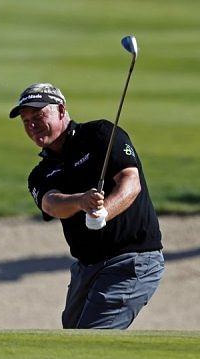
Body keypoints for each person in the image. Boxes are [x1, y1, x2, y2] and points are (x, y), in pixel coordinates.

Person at [9, 83, 164, 329]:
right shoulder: (41, 172)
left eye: (38, 116)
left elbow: (130, 182)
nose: (31, 125)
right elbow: (51, 204)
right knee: (73, 338)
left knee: (92, 339)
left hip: (131, 259)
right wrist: (80, 201)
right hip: (87, 269)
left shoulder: (100, 134)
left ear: (61, 110)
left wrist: (104, 211)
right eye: (26, 120)